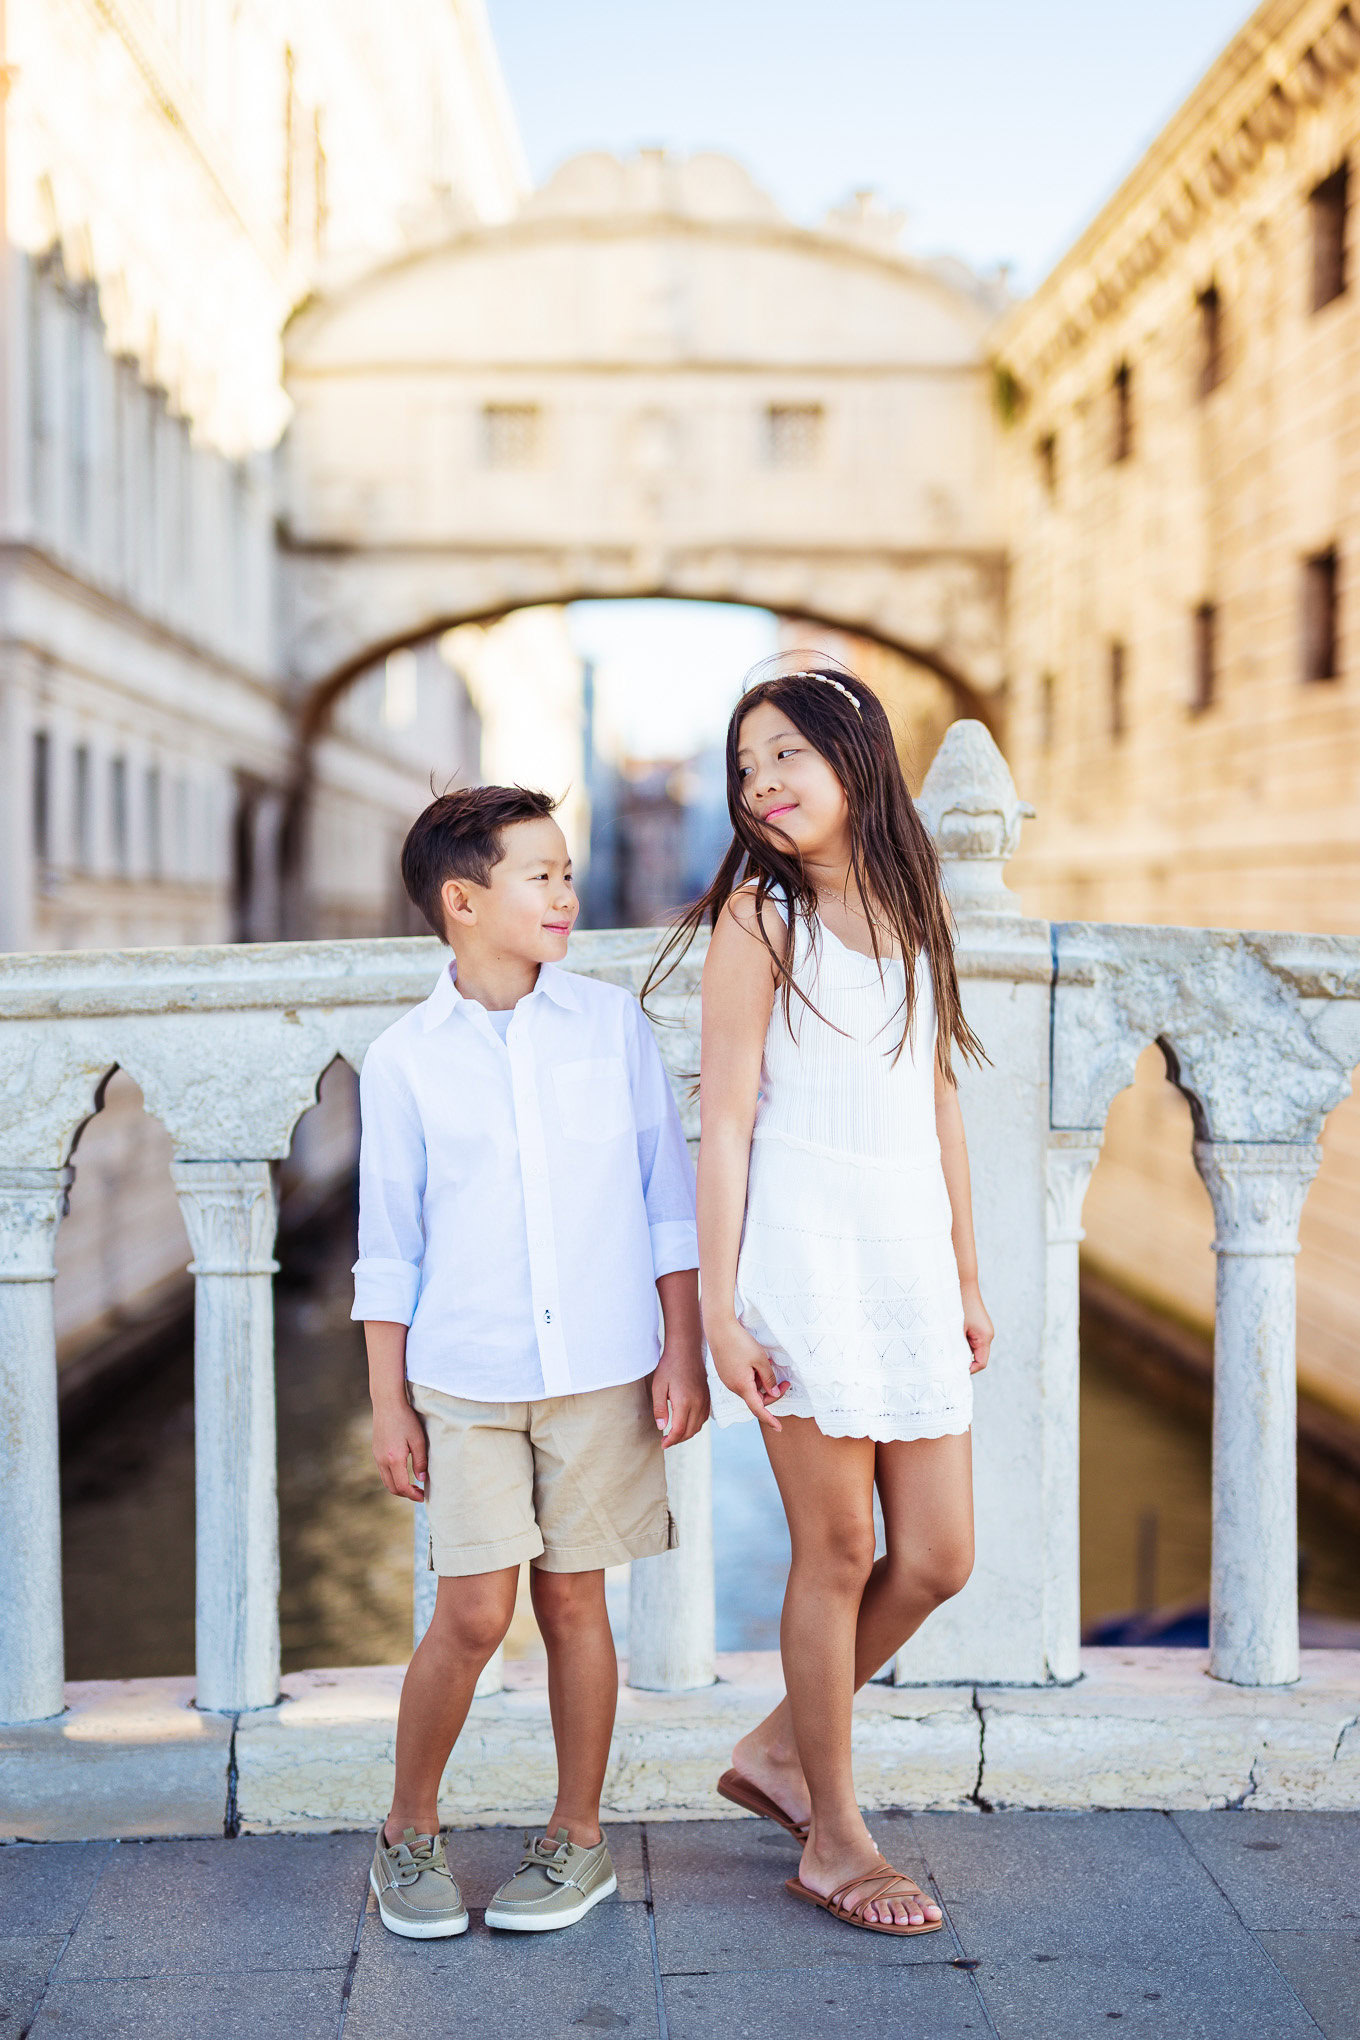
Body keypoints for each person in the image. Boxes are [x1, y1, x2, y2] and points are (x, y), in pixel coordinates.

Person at [645, 658, 992, 1937]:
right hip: (801, 1258)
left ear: (854, 758)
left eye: (785, 753)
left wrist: (962, 1271)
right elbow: (723, 1125)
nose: (763, 784)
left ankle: (782, 1750)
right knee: (839, 1550)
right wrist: (724, 1314)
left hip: (901, 1259)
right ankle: (832, 1840)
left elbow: (937, 1094)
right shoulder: (757, 919)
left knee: (941, 1555)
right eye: (745, 768)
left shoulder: (915, 905)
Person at [354, 783, 705, 1939]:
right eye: (538, 875)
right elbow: (389, 1247)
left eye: (566, 871)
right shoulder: (405, 1060)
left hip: (603, 1366)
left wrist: (681, 1349)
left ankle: (578, 1838)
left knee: (573, 1604)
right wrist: (388, 1406)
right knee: (468, 1613)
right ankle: (408, 1832)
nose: (564, 893)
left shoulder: (610, 1026)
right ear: (462, 900)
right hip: (463, 1378)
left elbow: (666, 1204)